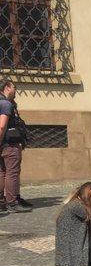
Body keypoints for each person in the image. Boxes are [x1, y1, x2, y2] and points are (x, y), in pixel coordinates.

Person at [0, 80, 31, 213]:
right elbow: (2, 126)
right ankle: (12, 202)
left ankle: (1, 201)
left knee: (2, 173)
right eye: (14, 87)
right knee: (12, 172)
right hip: (9, 144)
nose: (15, 90)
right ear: (7, 88)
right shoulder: (5, 104)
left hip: (3, 144)